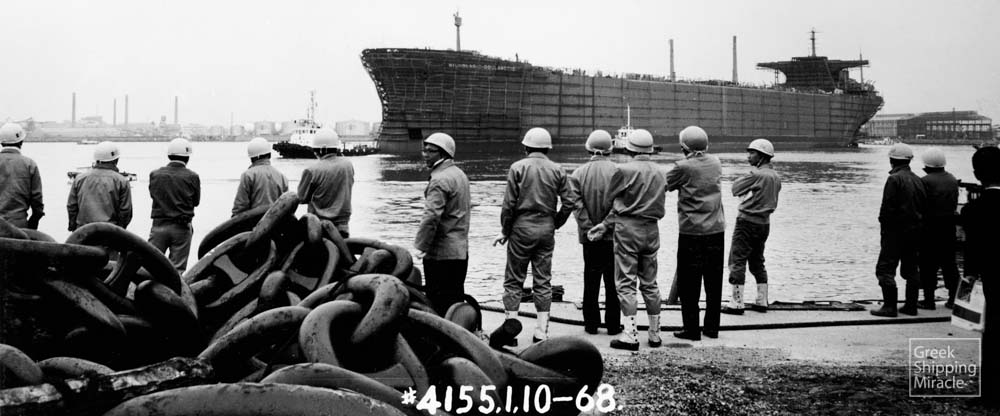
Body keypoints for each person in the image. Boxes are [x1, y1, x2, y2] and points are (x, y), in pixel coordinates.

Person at [493, 127, 574, 343]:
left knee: (514, 280)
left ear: (526, 147)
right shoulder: (558, 170)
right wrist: (555, 223)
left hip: (521, 228)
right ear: (547, 148)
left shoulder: (517, 168)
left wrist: (505, 230)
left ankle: (510, 332)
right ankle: (541, 332)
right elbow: (569, 202)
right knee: (543, 280)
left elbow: (508, 205)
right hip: (546, 228)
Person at [587, 129, 664, 350]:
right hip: (652, 229)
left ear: (629, 149)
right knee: (650, 283)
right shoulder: (661, 172)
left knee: (626, 282)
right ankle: (655, 334)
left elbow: (611, 199)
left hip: (627, 231)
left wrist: (605, 224)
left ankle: (630, 335)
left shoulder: (623, 170)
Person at [666, 126, 725, 341]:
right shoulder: (716, 162)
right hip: (716, 230)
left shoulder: (682, 167)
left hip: (691, 232)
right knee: (713, 282)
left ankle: (691, 330)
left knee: (689, 284)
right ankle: (712, 328)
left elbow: (663, 184)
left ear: (684, 147)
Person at [569, 130, 621, 335]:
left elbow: (576, 205)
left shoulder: (578, 174)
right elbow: (620, 205)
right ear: (610, 149)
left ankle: (591, 324)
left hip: (589, 238)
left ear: (588, 148)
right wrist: (606, 225)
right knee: (613, 282)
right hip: (613, 236)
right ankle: (613, 325)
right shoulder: (619, 172)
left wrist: (589, 228)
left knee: (590, 280)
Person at [721, 138, 782, 315]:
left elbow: (735, 189)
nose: (748, 156)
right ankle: (762, 300)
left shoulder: (756, 175)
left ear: (762, 156)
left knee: (737, 260)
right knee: (757, 261)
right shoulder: (775, 177)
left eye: (752, 153)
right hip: (764, 223)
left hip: (746, 222)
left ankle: (737, 302)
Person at [413, 132, 471, 315]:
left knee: (437, 304)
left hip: (440, 255)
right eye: (425, 150)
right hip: (460, 252)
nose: (425, 155)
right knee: (455, 299)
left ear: (443, 154)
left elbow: (431, 217)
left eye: (430, 151)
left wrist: (421, 246)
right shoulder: (460, 175)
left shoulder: (439, 180)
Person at [960, 146, 999, 408]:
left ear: (976, 174)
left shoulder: (972, 211)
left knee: (993, 335)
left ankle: (991, 395)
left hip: (993, 280)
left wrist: (966, 292)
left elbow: (971, 255)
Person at [870, 143, 926, 317]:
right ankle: (911, 306)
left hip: (895, 232)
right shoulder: (918, 180)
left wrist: (884, 231)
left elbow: (887, 209)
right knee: (911, 269)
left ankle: (889, 307)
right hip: (915, 232)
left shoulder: (894, 179)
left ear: (892, 160)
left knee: (885, 269)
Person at [148, 138, 201, 273]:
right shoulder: (192, 177)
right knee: (177, 270)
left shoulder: (155, 174)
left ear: (169, 155)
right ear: (187, 157)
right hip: (182, 227)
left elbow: (153, 195)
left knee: (151, 265)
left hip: (158, 225)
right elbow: (196, 202)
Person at [917, 147, 959, 309]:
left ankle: (929, 300)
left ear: (926, 165)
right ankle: (953, 299)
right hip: (948, 228)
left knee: (928, 265)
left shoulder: (924, 181)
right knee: (950, 265)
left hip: (929, 229)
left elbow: (919, 205)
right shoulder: (952, 179)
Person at [297, 127, 354, 237]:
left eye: (315, 150)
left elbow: (301, 198)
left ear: (321, 150)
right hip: (343, 227)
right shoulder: (348, 165)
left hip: (318, 229)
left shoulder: (312, 170)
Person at [67, 141, 132, 231]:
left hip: (83, 231)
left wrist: (74, 228)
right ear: (116, 160)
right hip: (110, 231)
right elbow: (125, 211)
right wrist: (119, 231)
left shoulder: (79, 179)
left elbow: (71, 206)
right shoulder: (121, 181)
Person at [0, 122, 44, 229]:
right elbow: (37, 200)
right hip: (19, 226)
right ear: (21, 142)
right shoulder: (29, 165)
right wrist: (34, 222)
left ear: (1, 143)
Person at [232, 137, 288, 216]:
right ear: (269, 155)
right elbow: (285, 205)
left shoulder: (248, 175)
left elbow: (240, 207)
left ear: (252, 157)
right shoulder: (282, 177)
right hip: (276, 221)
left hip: (254, 221)